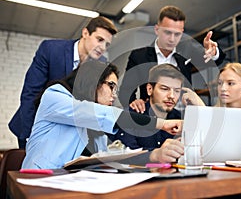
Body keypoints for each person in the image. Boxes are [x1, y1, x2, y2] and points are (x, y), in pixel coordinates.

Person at [21, 61, 183, 169]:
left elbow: (108, 156)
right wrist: (162, 124)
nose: (113, 95)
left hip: (66, 184)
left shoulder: (94, 126)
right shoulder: (55, 96)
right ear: (93, 81)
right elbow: (101, 114)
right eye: (111, 86)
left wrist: (154, 155)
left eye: (116, 89)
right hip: (35, 181)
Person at [9, 16, 118, 149]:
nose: (102, 47)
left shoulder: (101, 64)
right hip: (34, 124)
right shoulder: (51, 50)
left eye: (107, 44)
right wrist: (30, 135)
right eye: (99, 40)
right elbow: (30, 94)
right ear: (85, 33)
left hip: (70, 134)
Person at [119, 5, 226, 111]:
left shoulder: (187, 49)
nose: (172, 39)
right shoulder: (139, 56)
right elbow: (125, 91)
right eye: (167, 32)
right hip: (152, 117)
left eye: (177, 34)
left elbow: (212, 60)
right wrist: (134, 103)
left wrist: (213, 52)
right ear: (157, 29)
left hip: (183, 114)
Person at [182, 62, 241, 159]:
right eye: (220, 83)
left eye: (230, 83)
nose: (223, 88)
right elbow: (200, 151)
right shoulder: (210, 115)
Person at [109, 64, 185, 163]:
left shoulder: (181, 119)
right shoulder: (131, 116)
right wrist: (155, 155)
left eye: (177, 91)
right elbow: (125, 158)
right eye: (164, 89)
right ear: (150, 89)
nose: (171, 96)